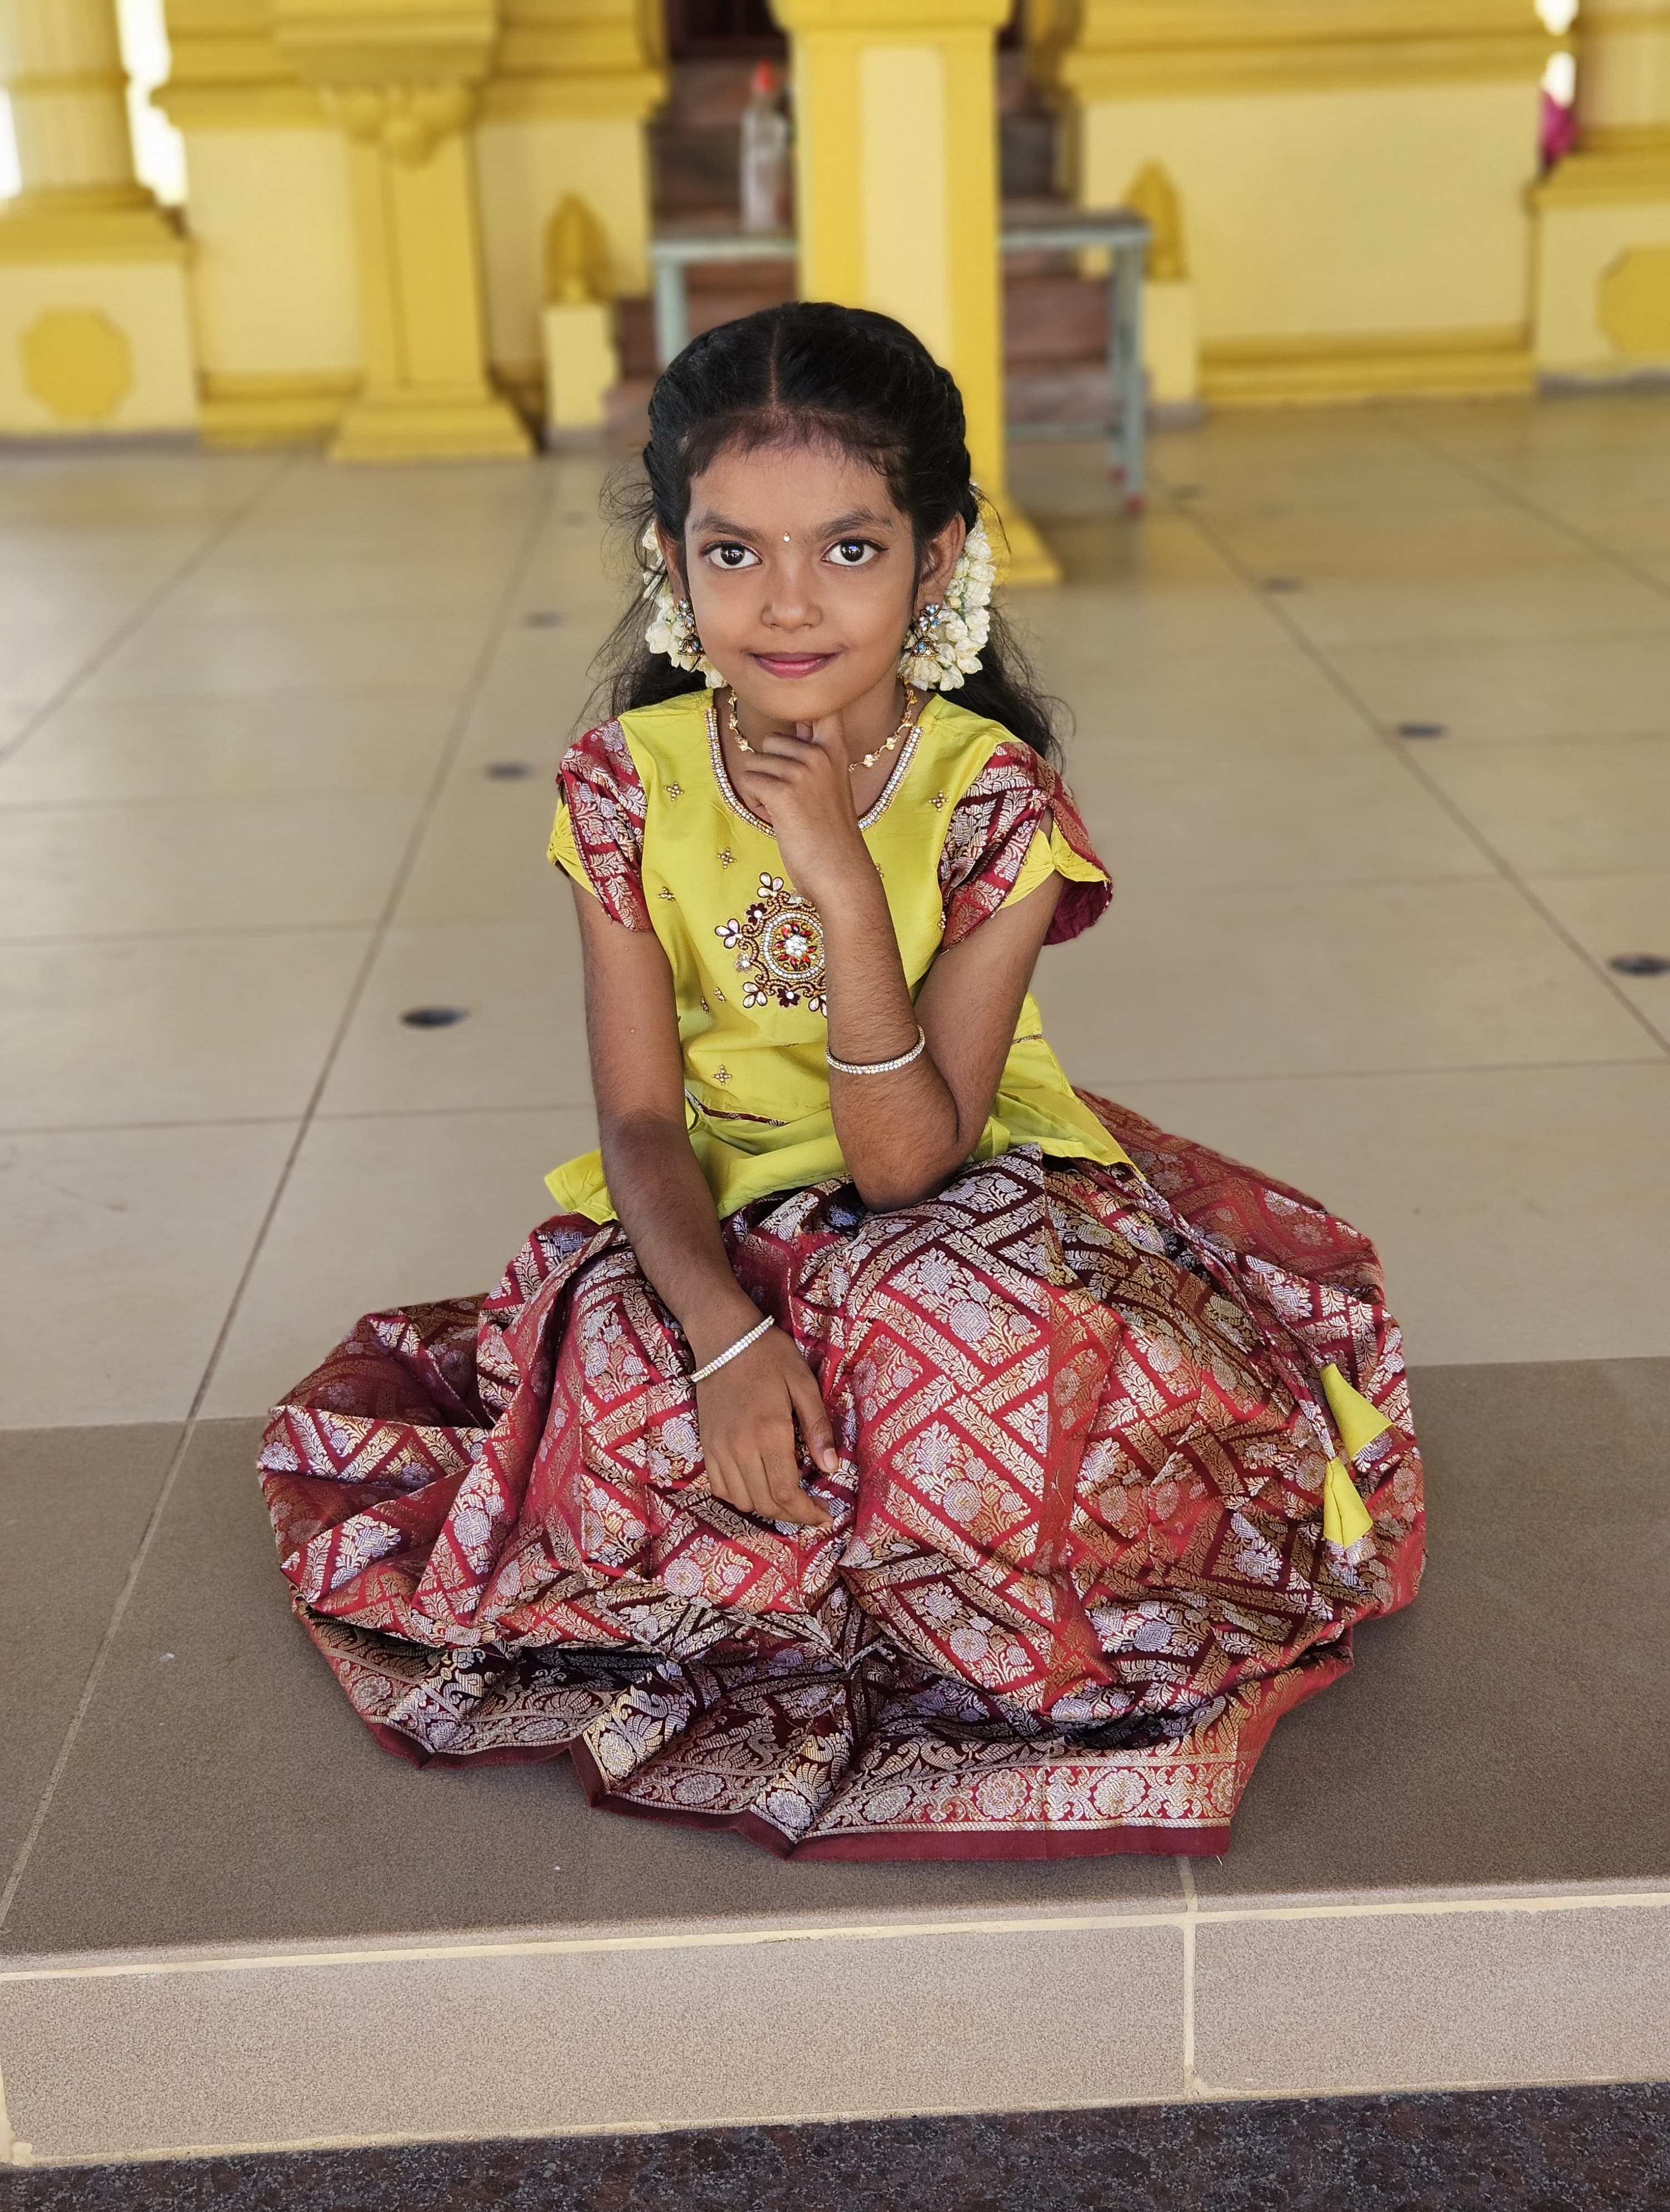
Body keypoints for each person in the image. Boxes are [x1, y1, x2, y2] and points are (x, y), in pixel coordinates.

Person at [261, 304, 1424, 1860]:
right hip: (716, 1207)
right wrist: (724, 1333)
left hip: (968, 1188)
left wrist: (842, 882)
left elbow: (904, 1168)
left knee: (941, 1335)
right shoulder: (627, 788)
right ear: (671, 562)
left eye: (851, 550)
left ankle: (923, 1590)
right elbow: (639, 1121)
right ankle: (843, 1569)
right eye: (734, 552)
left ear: (939, 559)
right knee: (635, 1393)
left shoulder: (994, 803)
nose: (789, 604)